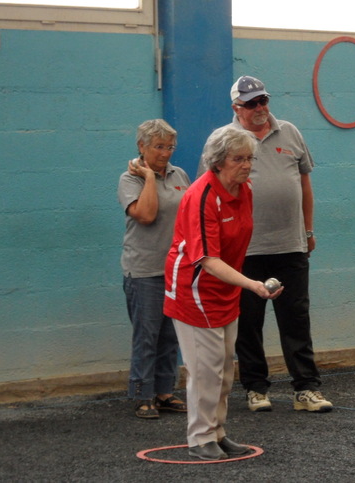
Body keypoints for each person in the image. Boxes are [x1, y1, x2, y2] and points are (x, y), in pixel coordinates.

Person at [164, 125, 282, 461]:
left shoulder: (245, 191)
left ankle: (218, 431)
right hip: (194, 289)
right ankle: (200, 438)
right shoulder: (202, 196)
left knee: (226, 369)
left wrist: (244, 284)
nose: (246, 165)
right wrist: (253, 284)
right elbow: (208, 260)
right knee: (206, 369)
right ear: (218, 161)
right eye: (238, 159)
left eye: (249, 158)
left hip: (225, 288)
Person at [227, 75, 333, 413]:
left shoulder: (290, 132)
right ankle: (256, 389)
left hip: (291, 245)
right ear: (236, 108)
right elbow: (216, 193)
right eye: (251, 103)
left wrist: (309, 232)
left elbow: (305, 184)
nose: (260, 108)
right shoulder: (226, 140)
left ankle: (306, 390)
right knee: (248, 323)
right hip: (246, 252)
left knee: (296, 320)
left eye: (263, 100)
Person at [118, 119, 191, 419]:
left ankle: (164, 392)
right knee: (147, 334)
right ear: (142, 147)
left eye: (170, 146)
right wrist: (149, 177)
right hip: (144, 269)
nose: (165, 153)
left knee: (170, 336)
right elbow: (146, 214)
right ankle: (142, 394)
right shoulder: (129, 179)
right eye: (159, 147)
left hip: (175, 269)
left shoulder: (180, 175)